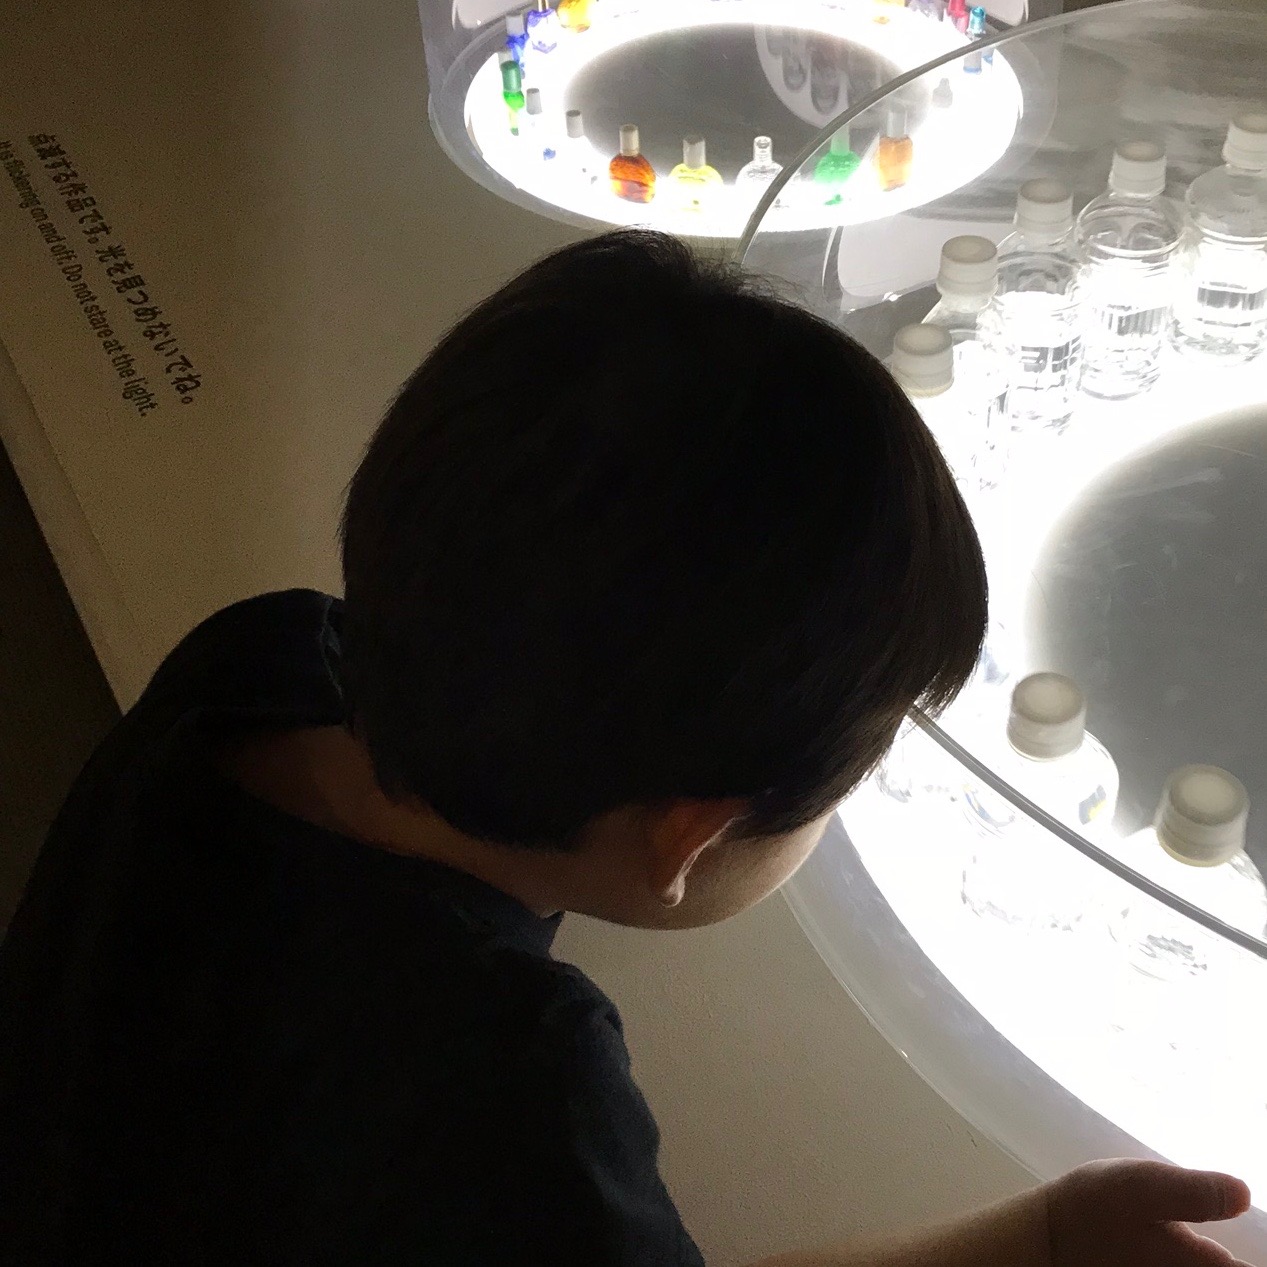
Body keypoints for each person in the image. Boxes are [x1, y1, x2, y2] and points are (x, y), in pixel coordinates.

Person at [0, 230, 1252, 1266]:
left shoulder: (262, 656)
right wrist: (1030, 1239)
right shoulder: (513, 1099)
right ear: (685, 838)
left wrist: (1040, 1235)